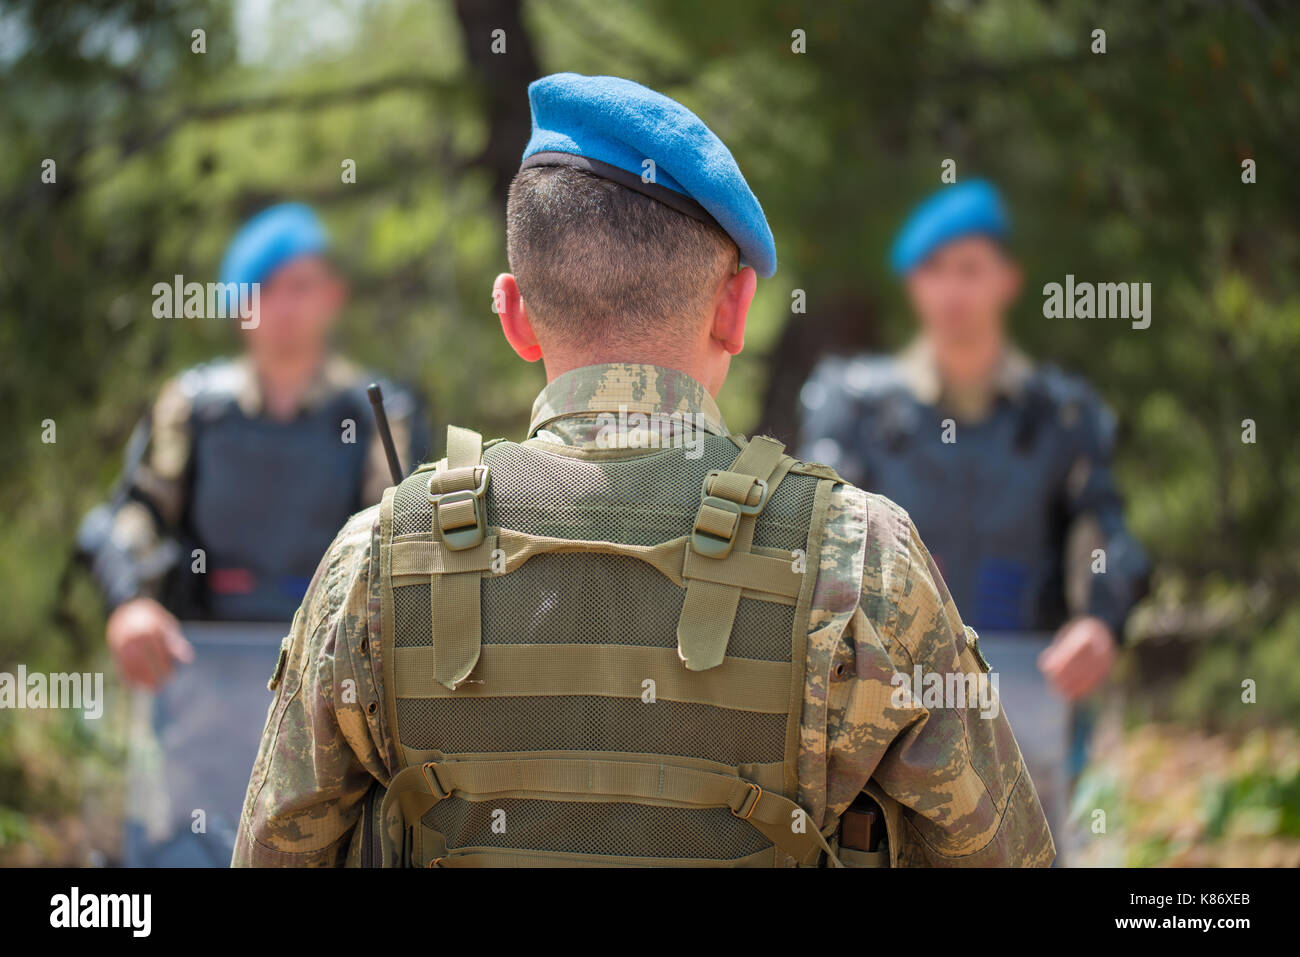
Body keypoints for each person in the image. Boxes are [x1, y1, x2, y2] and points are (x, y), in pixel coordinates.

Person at [233, 76, 1052, 868]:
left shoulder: (375, 558)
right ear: (735, 308)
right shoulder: (863, 557)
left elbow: (275, 848)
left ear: (515, 315)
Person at [798, 179, 1149, 856]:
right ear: (912, 286)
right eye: (934, 272)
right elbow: (817, 526)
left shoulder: (1061, 415)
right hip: (884, 703)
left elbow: (1104, 531)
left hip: (1033, 697)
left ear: (1006, 280)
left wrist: (1100, 620)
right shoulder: (857, 409)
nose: (953, 292)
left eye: (970, 270)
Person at [79, 203, 431, 689]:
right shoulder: (192, 410)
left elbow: (404, 539)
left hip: (337, 685)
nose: (283, 307)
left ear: (333, 295)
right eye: (264, 289)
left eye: (301, 287)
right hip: (200, 680)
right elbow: (133, 514)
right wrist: (131, 602)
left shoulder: (379, 413)